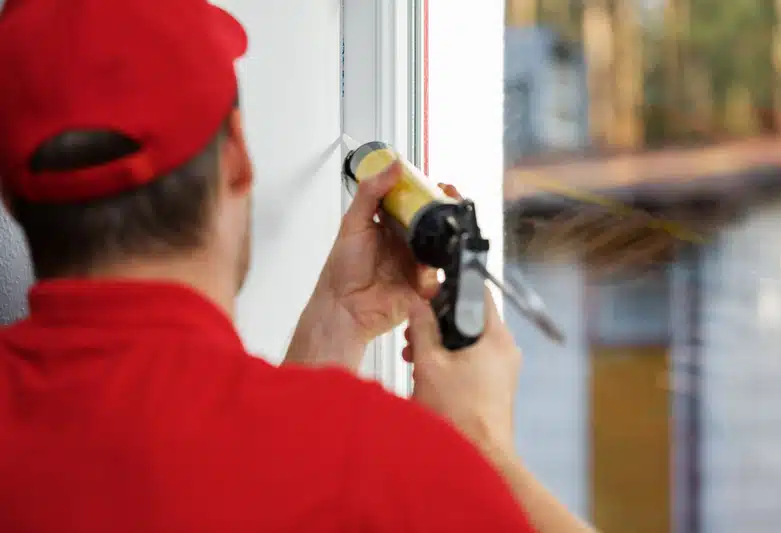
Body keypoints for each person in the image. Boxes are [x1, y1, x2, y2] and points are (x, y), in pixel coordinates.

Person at [0, 1, 595, 532]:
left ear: (10, 193)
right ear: (236, 158)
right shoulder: (388, 475)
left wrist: (336, 323)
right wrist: (485, 451)